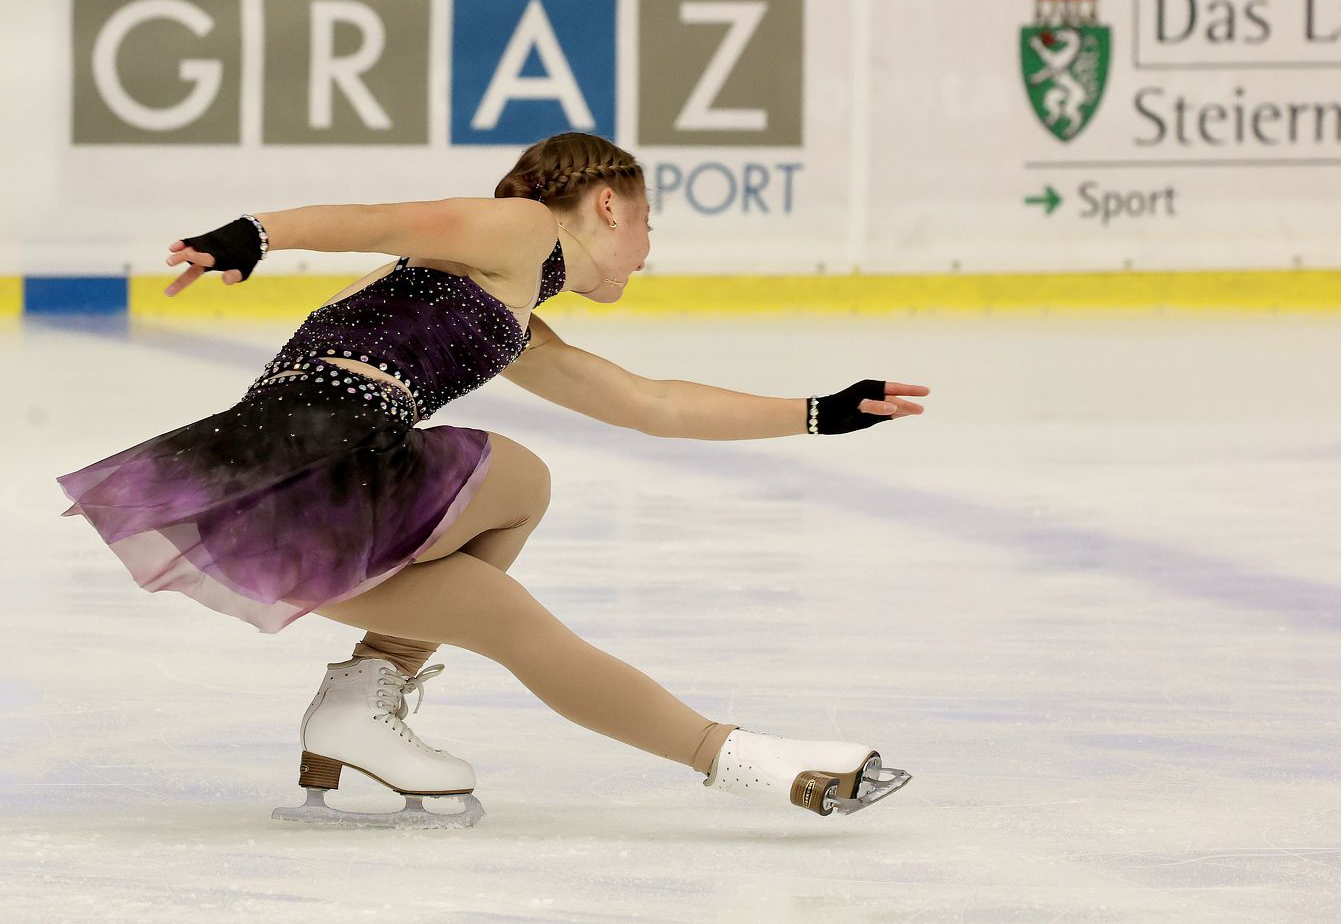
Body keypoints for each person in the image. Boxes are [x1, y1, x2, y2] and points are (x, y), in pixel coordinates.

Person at [56, 131, 927, 827]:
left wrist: (817, 410)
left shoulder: (512, 316)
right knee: (518, 479)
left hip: (276, 497)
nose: (650, 250)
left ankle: (362, 700)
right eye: (650, 222)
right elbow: (377, 216)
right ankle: (753, 764)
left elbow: (649, 401)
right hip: (330, 462)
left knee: (514, 560)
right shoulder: (521, 231)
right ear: (608, 202)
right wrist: (251, 236)